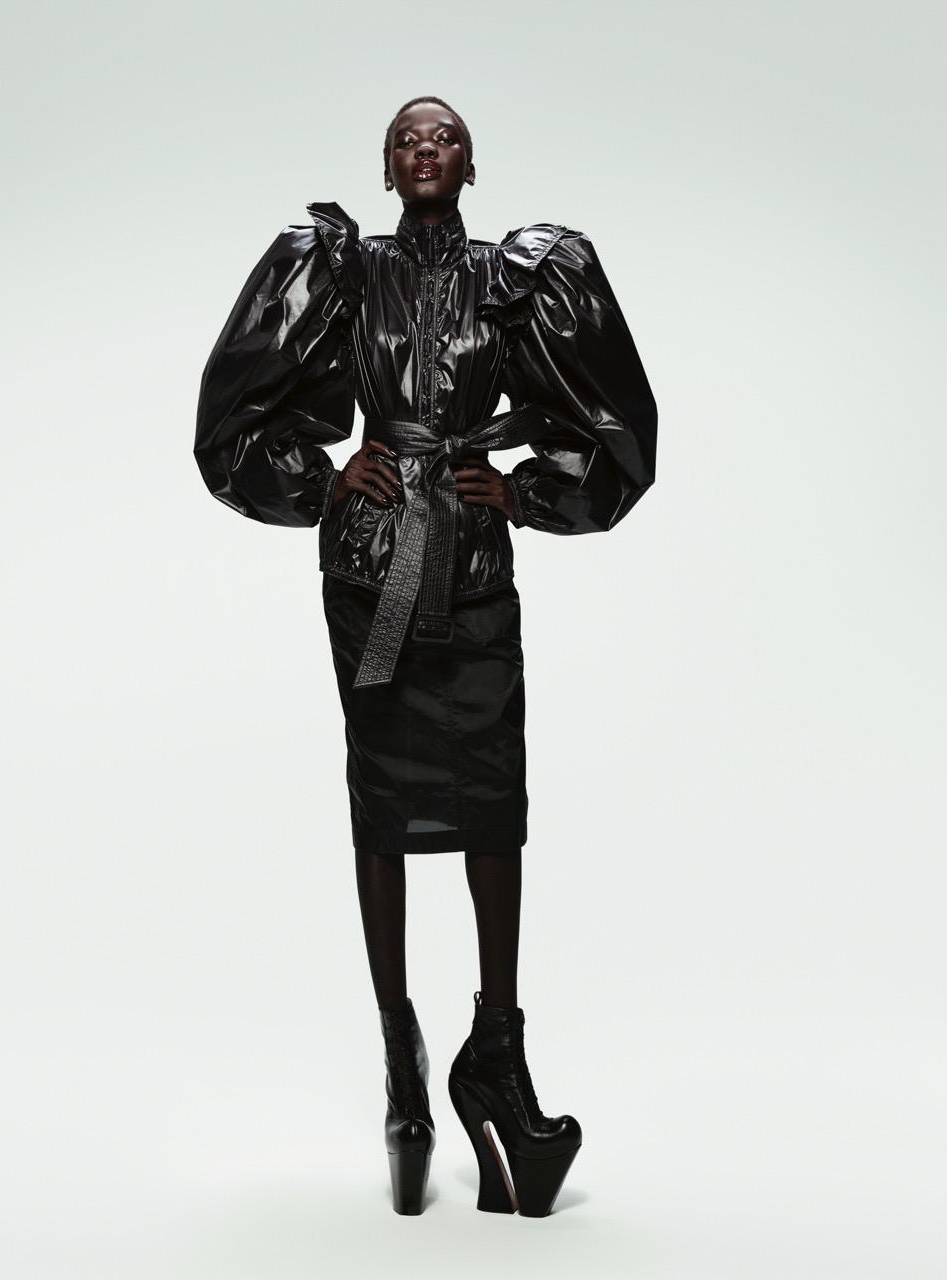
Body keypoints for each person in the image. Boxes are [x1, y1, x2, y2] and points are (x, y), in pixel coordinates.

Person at [194, 96, 657, 1217]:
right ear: (385, 165)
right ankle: (404, 1064)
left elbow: (615, 424)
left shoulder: (517, 277)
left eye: (442, 136)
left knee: (494, 798)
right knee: (384, 800)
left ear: (471, 164)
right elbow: (233, 411)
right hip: (371, 569)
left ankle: (496, 1050)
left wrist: (526, 492)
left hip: (472, 564)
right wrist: (321, 481)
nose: (424, 148)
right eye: (406, 137)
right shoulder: (346, 270)